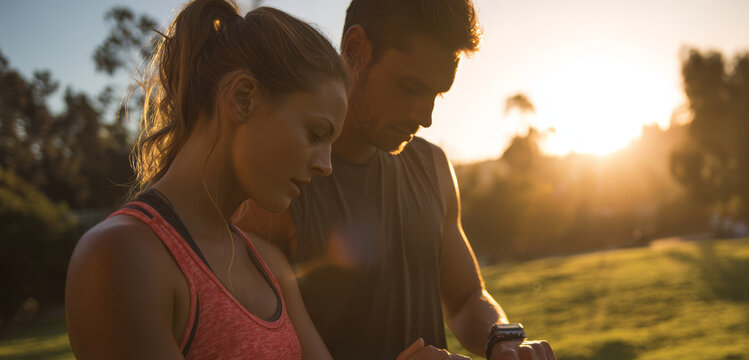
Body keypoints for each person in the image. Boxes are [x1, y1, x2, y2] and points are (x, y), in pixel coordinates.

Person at [66, 1, 460, 359]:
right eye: (315, 133)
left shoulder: (268, 264)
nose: (326, 165)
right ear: (242, 99)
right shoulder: (121, 255)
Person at [235, 0, 556, 359]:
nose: (426, 116)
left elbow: (466, 299)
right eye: (410, 87)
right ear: (355, 50)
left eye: (436, 94)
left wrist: (502, 341)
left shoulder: (433, 166)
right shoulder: (276, 187)